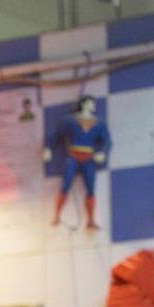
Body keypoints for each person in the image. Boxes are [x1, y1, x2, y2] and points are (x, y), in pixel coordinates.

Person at [46, 95, 110, 231]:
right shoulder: (70, 120)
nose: (93, 106)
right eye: (91, 103)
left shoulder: (99, 122)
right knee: (65, 186)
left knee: (91, 189)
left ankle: (91, 220)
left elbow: (107, 140)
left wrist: (103, 152)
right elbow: (56, 134)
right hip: (73, 156)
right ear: (85, 104)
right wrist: (48, 148)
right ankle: (57, 216)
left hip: (88, 158)